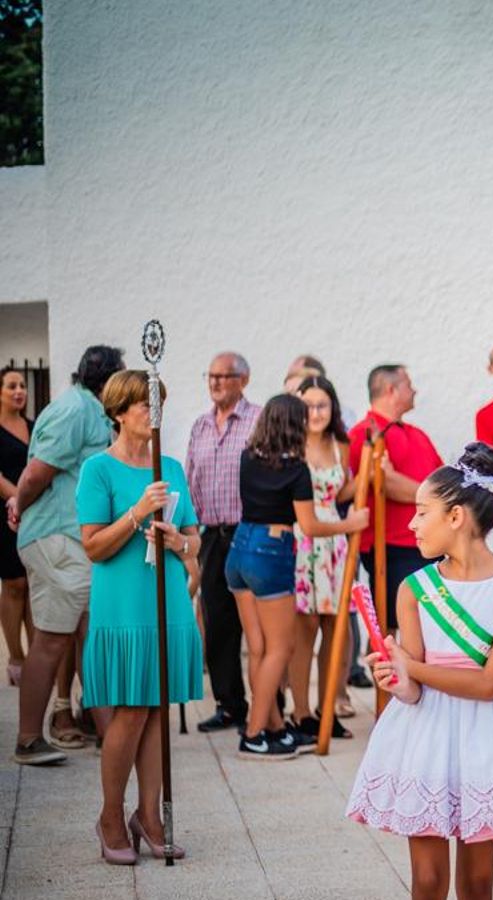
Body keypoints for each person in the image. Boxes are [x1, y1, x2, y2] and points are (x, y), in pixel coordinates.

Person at [346, 444, 493, 900]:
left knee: (478, 882)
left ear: (457, 516)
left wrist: (413, 666)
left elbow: (488, 684)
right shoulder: (414, 589)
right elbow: (413, 691)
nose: (412, 523)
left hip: (488, 737)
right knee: (426, 880)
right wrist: (396, 677)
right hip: (426, 736)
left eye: (422, 513)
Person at [76, 369, 204, 864]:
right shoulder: (98, 471)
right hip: (123, 605)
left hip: (166, 599)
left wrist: (178, 541)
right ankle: (111, 815)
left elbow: (195, 539)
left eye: (159, 404)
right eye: (146, 405)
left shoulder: (169, 466)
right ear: (119, 412)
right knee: (129, 712)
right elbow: (92, 546)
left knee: (156, 711)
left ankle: (149, 816)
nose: (155, 413)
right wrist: (135, 514)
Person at [229, 394, 369, 759]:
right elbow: (309, 525)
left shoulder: (247, 457)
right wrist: (349, 523)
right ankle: (254, 733)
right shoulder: (296, 469)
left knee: (258, 649)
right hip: (271, 553)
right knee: (281, 648)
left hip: (239, 549)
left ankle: (275, 728)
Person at [8, 345, 122, 765]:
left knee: (92, 634)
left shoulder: (85, 408)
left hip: (71, 541)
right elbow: (38, 471)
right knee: (53, 639)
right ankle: (27, 740)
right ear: (108, 381)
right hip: (58, 538)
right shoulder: (77, 410)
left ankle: (108, 732)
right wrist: (18, 503)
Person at [186, 350, 261, 734]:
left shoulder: (258, 420)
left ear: (243, 381)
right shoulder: (200, 426)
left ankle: (268, 707)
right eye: (210, 375)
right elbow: (190, 480)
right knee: (217, 624)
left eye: (224, 376)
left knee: (258, 626)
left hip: (248, 532)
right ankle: (229, 704)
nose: (215, 382)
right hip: (211, 535)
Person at [288, 375, 362, 735]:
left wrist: (364, 481)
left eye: (322, 405)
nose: (315, 412)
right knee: (305, 631)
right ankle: (301, 713)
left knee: (337, 633)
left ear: (332, 408)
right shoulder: (291, 443)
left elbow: (342, 491)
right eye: (309, 405)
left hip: (335, 542)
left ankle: (328, 709)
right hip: (303, 540)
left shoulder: (339, 444)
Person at [349, 364, 444, 613]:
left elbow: (443, 479)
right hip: (393, 547)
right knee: (389, 627)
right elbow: (385, 483)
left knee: (428, 628)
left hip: (428, 543)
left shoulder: (417, 434)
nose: (414, 391)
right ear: (391, 390)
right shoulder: (365, 433)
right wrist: (437, 500)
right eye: (409, 385)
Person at [1, 366, 32, 687]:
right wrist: (20, 498)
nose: (19, 391)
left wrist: (29, 503)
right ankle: (15, 656)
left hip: (34, 514)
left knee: (32, 584)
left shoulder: (34, 427)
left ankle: (36, 654)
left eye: (22, 385)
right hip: (5, 516)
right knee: (13, 585)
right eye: (11, 385)